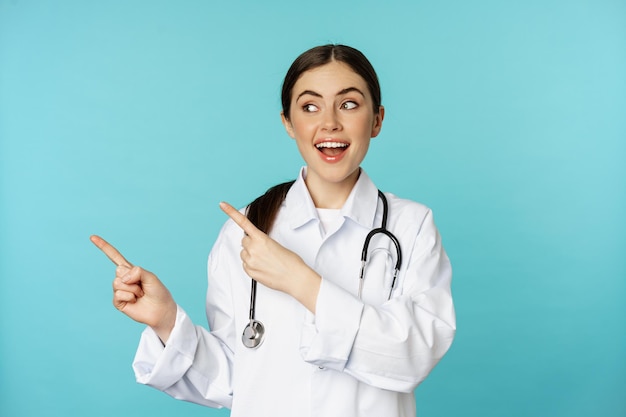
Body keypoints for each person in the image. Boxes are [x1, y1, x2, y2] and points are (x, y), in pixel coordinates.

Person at [91, 44, 455, 417]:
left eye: (348, 104)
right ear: (287, 122)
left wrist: (301, 281)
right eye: (309, 106)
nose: (329, 122)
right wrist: (167, 321)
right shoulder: (245, 231)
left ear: (376, 120)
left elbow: (413, 358)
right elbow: (237, 378)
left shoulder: (411, 226)